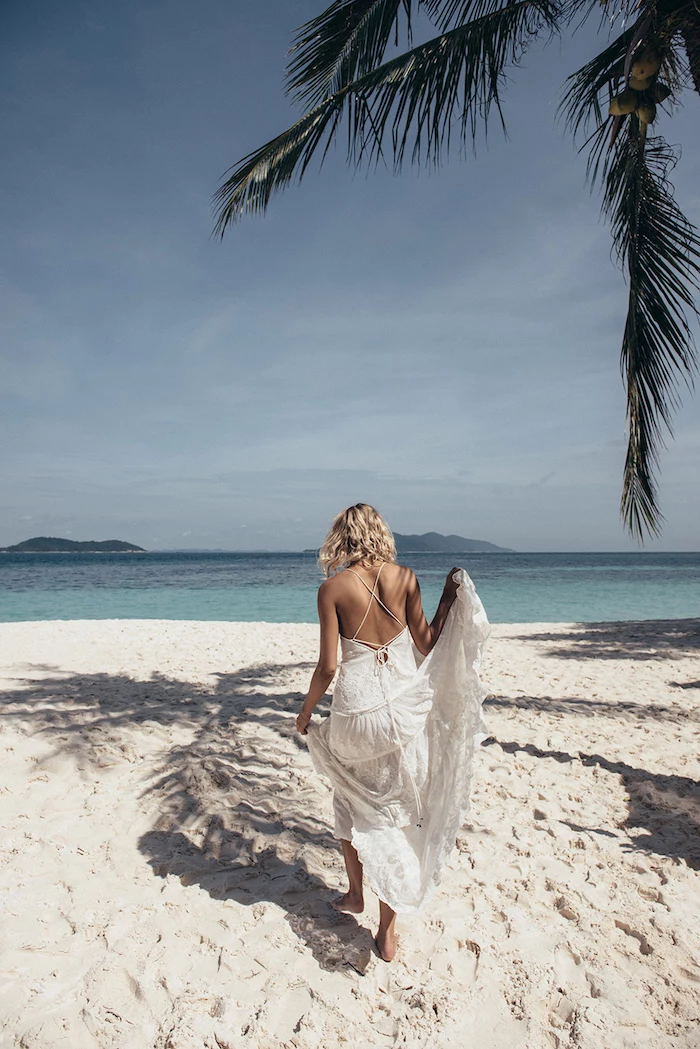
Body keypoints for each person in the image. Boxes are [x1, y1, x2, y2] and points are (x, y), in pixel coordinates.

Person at [295, 503, 490, 962]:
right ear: (380, 532)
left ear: (343, 536)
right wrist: (446, 599)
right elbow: (426, 642)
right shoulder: (405, 578)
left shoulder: (331, 589)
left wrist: (305, 715)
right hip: (402, 712)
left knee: (348, 793)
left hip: (356, 712)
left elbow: (327, 667)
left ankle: (355, 892)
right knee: (393, 811)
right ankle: (386, 928)